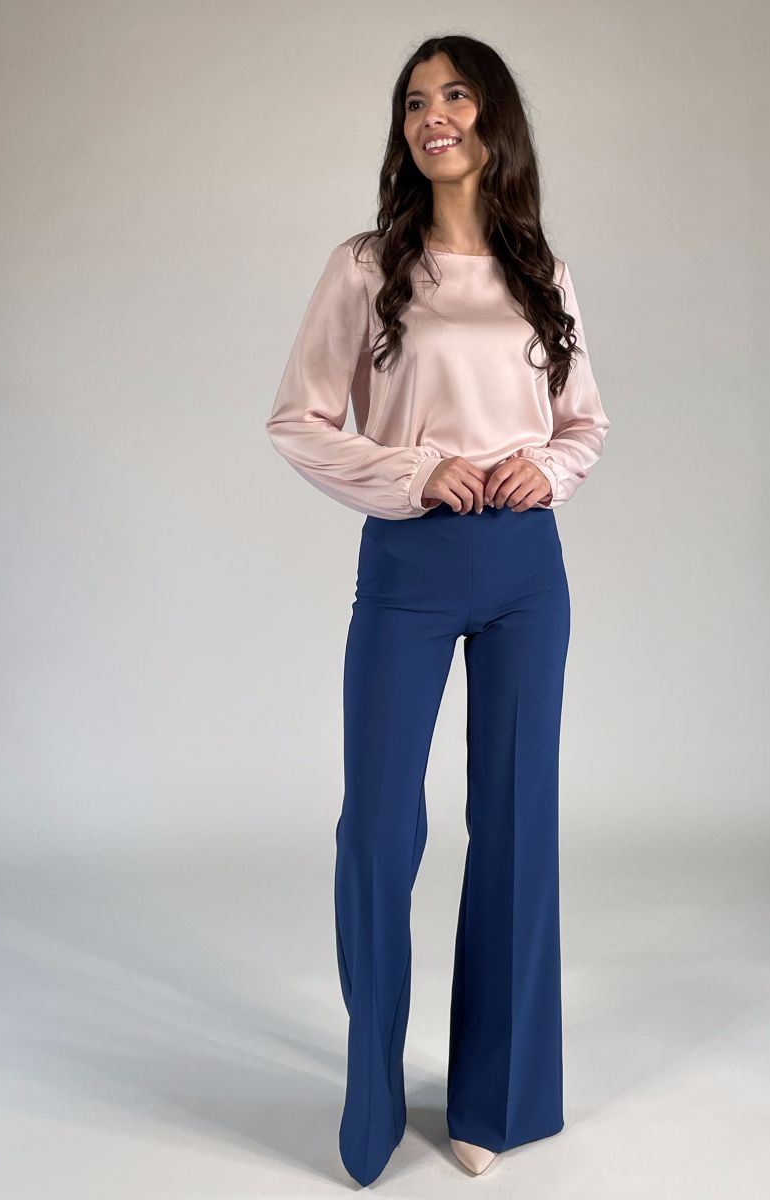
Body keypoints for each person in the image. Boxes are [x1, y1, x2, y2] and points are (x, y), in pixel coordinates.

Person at [265, 33, 611, 1187]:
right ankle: (371, 1104)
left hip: (525, 571)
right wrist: (417, 472)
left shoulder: (538, 268)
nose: (434, 116)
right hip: (410, 566)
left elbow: (585, 423)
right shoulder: (367, 266)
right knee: (378, 829)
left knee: (515, 825)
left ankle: (494, 1100)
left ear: (491, 118)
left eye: (456, 95)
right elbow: (299, 420)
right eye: (416, 101)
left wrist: (543, 469)